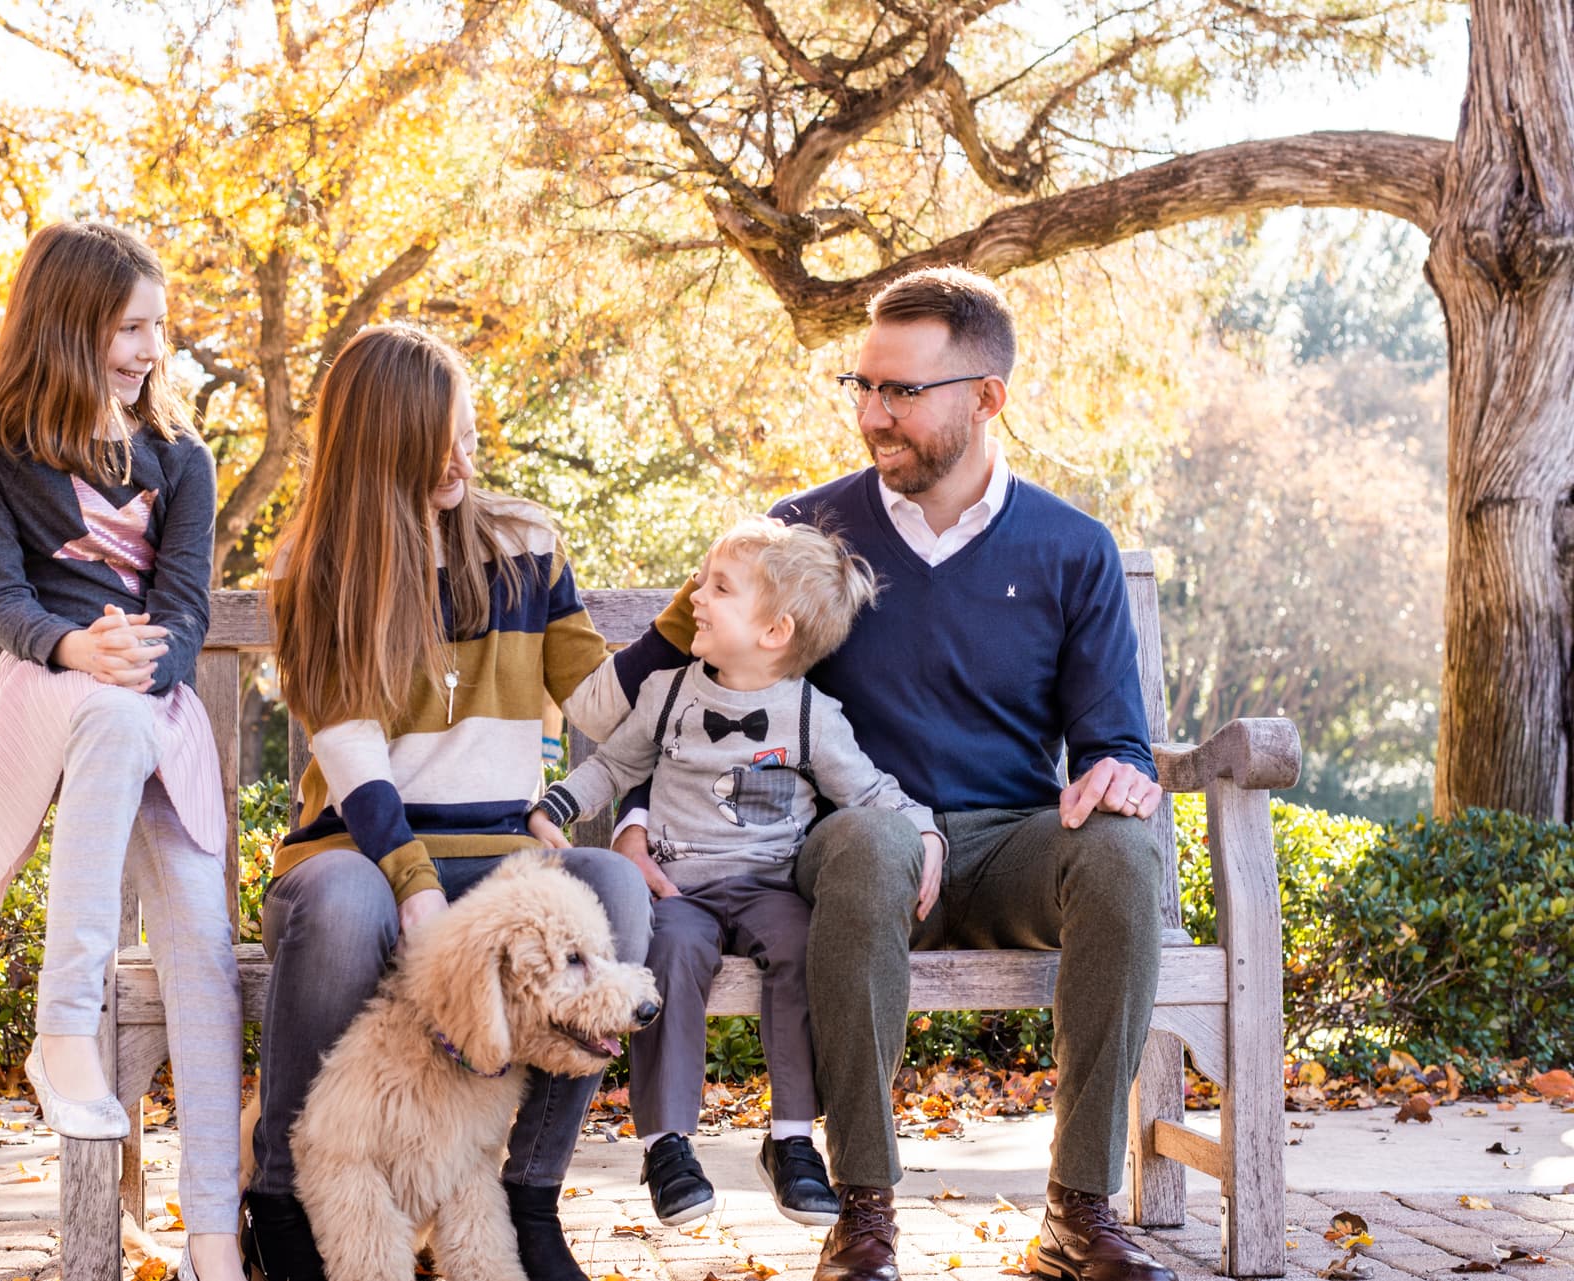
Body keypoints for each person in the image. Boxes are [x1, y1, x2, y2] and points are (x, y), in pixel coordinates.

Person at [609, 266, 1176, 1281]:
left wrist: (1123, 777)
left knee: (1126, 854)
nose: (874, 414)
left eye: (902, 392)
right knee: (872, 839)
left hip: (1007, 844)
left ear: (987, 397)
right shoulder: (805, 536)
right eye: (863, 386)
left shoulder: (1071, 547)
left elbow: (1111, 743)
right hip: (849, 847)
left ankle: (1079, 1212)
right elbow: (697, 690)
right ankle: (863, 1210)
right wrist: (637, 811)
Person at [243, 322, 650, 1281]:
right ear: (379, 450)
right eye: (438, 446)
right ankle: (283, 1198)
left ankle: (525, 1198)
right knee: (347, 908)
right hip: (356, 848)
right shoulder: (320, 565)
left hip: (502, 853)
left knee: (612, 892)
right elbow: (346, 748)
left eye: (468, 434)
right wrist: (414, 883)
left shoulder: (524, 540)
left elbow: (594, 699)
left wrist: (689, 624)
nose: (462, 459)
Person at [0, 222, 243, 1281]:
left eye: (159, 325)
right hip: (46, 694)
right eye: (130, 327)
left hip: (153, 710)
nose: (152, 347)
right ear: (69, 328)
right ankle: (61, 1026)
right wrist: (79, 646)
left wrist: (142, 669)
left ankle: (215, 1236)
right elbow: (1, 603)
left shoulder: (182, 459)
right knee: (105, 716)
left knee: (207, 962)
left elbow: (185, 607)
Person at [528, 515, 943, 1231]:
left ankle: (791, 1140)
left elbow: (869, 791)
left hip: (768, 887)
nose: (697, 594)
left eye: (718, 587)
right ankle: (667, 1143)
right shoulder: (667, 693)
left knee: (802, 946)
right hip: (678, 888)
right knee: (670, 953)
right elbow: (613, 764)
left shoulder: (811, 714)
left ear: (774, 630)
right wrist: (555, 806)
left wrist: (926, 832)